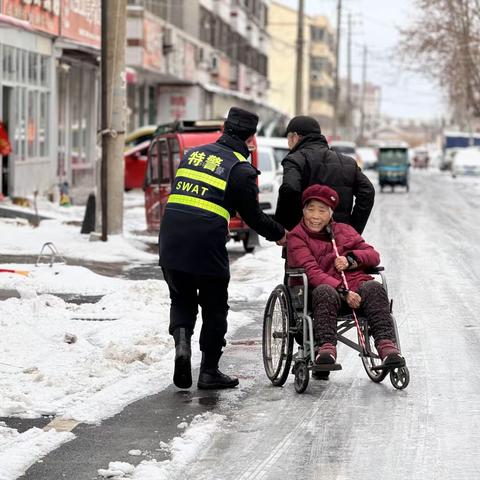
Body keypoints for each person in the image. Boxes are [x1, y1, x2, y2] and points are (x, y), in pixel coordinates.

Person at [159, 107, 287, 390]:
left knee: (181, 300)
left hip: (170, 239)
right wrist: (281, 235)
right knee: (214, 306)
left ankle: (182, 346)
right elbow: (253, 217)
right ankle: (209, 371)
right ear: (251, 138)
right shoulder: (240, 170)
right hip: (207, 246)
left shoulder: (192, 155)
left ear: (223, 127)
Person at [287, 184, 405, 374]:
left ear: (330, 213)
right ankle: (326, 349)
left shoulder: (344, 231)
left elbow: (373, 255)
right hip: (325, 294)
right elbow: (312, 272)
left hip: (357, 289)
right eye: (311, 209)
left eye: (322, 210)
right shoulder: (296, 237)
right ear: (303, 210)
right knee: (324, 291)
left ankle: (387, 347)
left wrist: (352, 260)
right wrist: (343, 291)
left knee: (374, 287)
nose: (315, 216)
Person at [275, 116, 375, 234]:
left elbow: (290, 188)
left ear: (295, 137)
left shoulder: (295, 160)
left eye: (288, 138)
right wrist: (352, 231)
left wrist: (285, 228)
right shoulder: (347, 162)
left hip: (303, 240)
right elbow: (367, 191)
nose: (288, 144)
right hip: (338, 239)